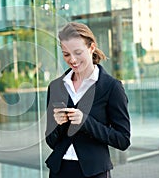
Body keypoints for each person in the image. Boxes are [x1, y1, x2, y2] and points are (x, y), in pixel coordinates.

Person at [45, 22, 131, 178]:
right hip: (59, 171)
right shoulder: (56, 87)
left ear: (92, 48)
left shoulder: (111, 87)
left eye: (78, 52)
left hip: (94, 172)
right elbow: (51, 141)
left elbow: (123, 140)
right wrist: (58, 124)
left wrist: (85, 122)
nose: (72, 60)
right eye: (66, 54)